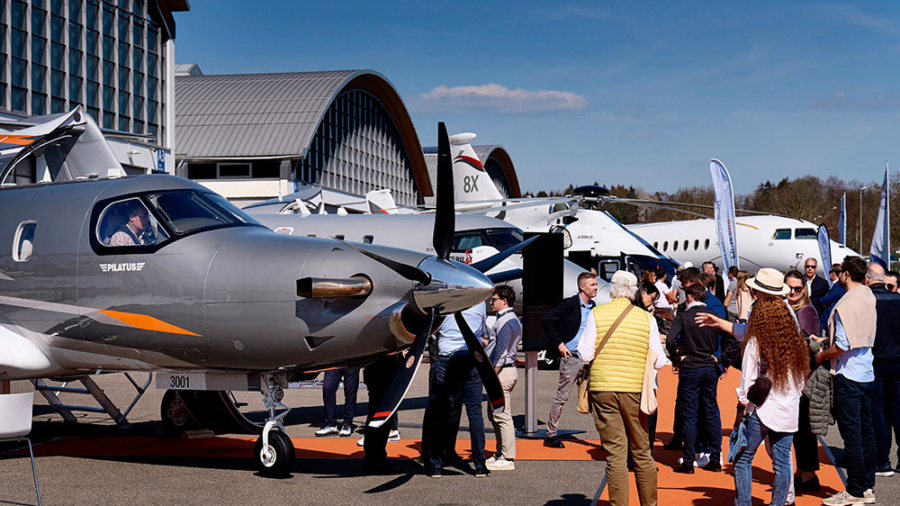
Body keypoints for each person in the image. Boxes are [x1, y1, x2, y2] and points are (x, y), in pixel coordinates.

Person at [578, 271, 667, 506]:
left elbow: (586, 354)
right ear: (634, 291)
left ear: (612, 290)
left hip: (603, 388)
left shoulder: (598, 313)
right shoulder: (646, 319)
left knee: (615, 454)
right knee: (641, 451)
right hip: (635, 390)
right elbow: (659, 361)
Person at [731, 294, 809, 506]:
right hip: (789, 408)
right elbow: (801, 381)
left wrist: (742, 405)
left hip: (761, 408)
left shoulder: (756, 342)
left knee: (743, 458)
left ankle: (744, 503)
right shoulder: (796, 343)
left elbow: (747, 380)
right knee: (782, 462)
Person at [815, 256, 877, 505]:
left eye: (840, 271)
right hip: (866, 371)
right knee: (866, 432)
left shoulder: (846, 303)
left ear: (846, 275)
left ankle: (854, 491)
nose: (837, 275)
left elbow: (842, 344)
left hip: (848, 373)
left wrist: (822, 353)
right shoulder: (868, 295)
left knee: (851, 435)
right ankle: (866, 486)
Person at [422, 302, 489, 478]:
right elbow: (482, 328)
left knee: (441, 411)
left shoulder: (444, 301)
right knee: (475, 412)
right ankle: (480, 464)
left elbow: (433, 328)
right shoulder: (480, 303)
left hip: (447, 357)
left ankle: (436, 463)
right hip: (472, 357)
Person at [667, 283, 724, 473]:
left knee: (690, 414)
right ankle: (715, 459)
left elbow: (670, 340)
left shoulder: (683, 316)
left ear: (690, 297)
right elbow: (731, 340)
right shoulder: (712, 316)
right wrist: (722, 360)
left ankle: (689, 460)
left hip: (690, 367)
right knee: (710, 411)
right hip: (709, 366)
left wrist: (677, 358)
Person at [540, 272, 598, 449]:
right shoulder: (569, 304)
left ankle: (606, 437)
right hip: (571, 357)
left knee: (597, 398)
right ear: (582, 287)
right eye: (593, 285)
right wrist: (559, 344)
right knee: (562, 396)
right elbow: (547, 320)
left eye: (596, 284)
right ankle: (551, 435)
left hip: (589, 359)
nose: (596, 287)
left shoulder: (594, 307)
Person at [784, 270, 830, 493]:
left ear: (805, 289)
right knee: (798, 428)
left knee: (805, 428)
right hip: (794, 376)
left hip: (805, 377)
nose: (792, 292)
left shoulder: (807, 311)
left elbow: (809, 345)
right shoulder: (790, 309)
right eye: (789, 288)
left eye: (797, 288)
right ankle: (803, 471)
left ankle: (809, 474)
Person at [864, 263, 900, 478]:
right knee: (895, 410)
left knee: (877, 411)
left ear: (868, 279)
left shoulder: (868, 301)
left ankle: (882, 460)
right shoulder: (897, 300)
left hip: (876, 360)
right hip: (896, 360)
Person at [484, 285, 522, 471]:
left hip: (502, 371)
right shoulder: (505, 319)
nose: (491, 302)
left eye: (495, 299)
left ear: (504, 301)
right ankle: (501, 452)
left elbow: (501, 351)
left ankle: (508, 456)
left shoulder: (506, 321)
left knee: (502, 415)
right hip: (503, 370)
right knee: (494, 414)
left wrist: (492, 373)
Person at [360, 353, 404, 474]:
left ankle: (375, 458)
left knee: (379, 416)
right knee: (380, 417)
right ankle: (375, 459)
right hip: (381, 372)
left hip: (382, 370)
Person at [635, 281, 662, 448]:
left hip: (621, 375)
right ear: (643, 293)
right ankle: (646, 455)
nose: (652, 302)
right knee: (649, 414)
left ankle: (629, 457)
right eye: (652, 298)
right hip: (644, 375)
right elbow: (658, 359)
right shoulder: (647, 319)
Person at [315, 368, 359, 437]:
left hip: (351, 362)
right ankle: (330, 424)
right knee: (328, 387)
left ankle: (347, 423)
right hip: (334, 362)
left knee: (350, 391)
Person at [819, 264, 847, 333]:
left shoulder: (839, 286)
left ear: (834, 273)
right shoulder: (835, 285)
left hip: (830, 319)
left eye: (830, 272)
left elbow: (824, 300)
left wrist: (825, 298)